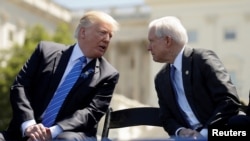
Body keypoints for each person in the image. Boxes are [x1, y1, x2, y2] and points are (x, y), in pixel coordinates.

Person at [0, 10, 119, 141]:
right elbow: (20, 86)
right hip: (28, 132)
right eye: (102, 33)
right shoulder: (45, 51)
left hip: (70, 134)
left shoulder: (108, 75)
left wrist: (51, 132)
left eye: (110, 36)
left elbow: (91, 113)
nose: (107, 39)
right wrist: (29, 125)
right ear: (83, 32)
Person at [147, 16, 243, 140]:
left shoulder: (202, 59)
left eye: (151, 41)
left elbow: (229, 101)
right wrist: (180, 131)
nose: (148, 47)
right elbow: (167, 117)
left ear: (167, 41)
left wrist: (204, 133)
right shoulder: (161, 78)